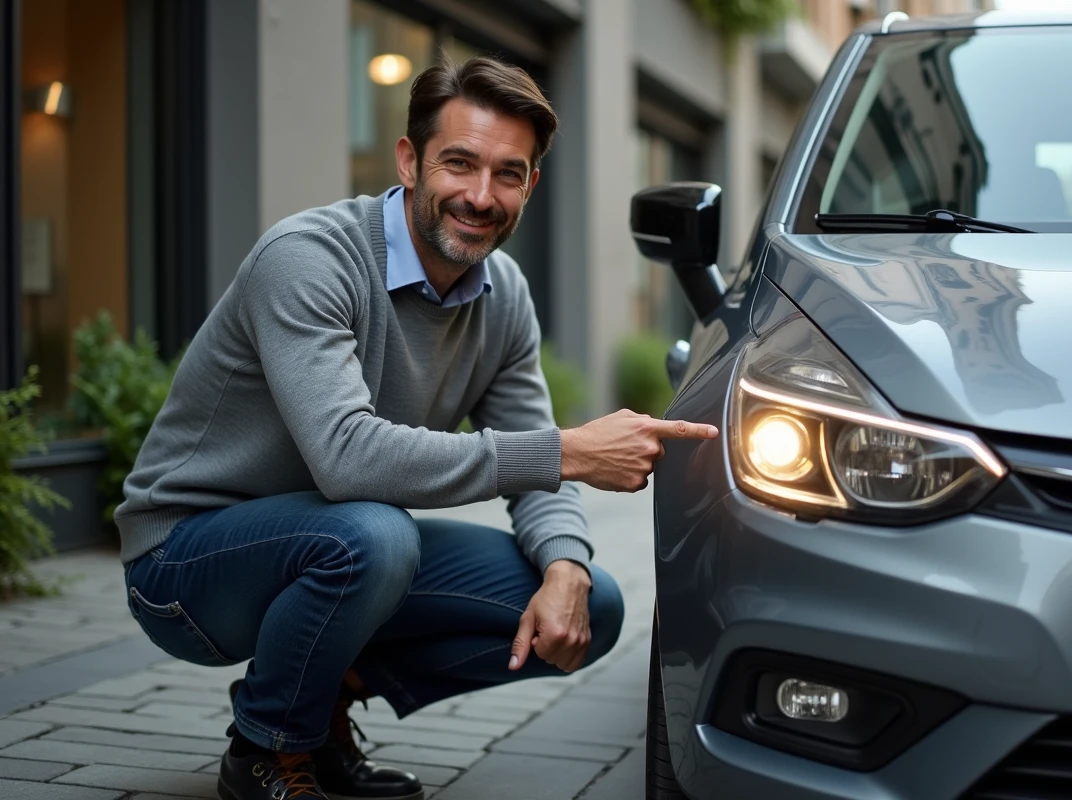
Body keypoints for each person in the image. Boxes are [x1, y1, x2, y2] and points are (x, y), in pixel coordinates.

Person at [114, 55, 718, 800]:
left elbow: (535, 464)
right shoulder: (309, 259)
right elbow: (346, 460)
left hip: (338, 541)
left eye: (508, 173)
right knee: (374, 534)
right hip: (187, 563)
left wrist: (564, 563)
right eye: (458, 163)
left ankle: (317, 706)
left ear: (531, 184)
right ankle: (265, 749)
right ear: (409, 159)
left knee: (592, 604)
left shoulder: (505, 297)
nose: (479, 195)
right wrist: (569, 451)